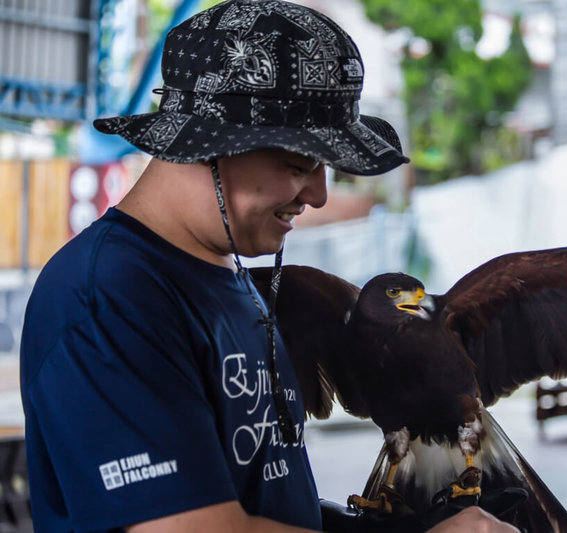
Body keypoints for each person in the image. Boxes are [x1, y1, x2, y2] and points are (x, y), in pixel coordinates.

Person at [20, 1, 520, 532]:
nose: (320, 194)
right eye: (299, 164)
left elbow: (265, 508)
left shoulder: (235, 282)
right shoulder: (110, 298)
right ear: (208, 143)